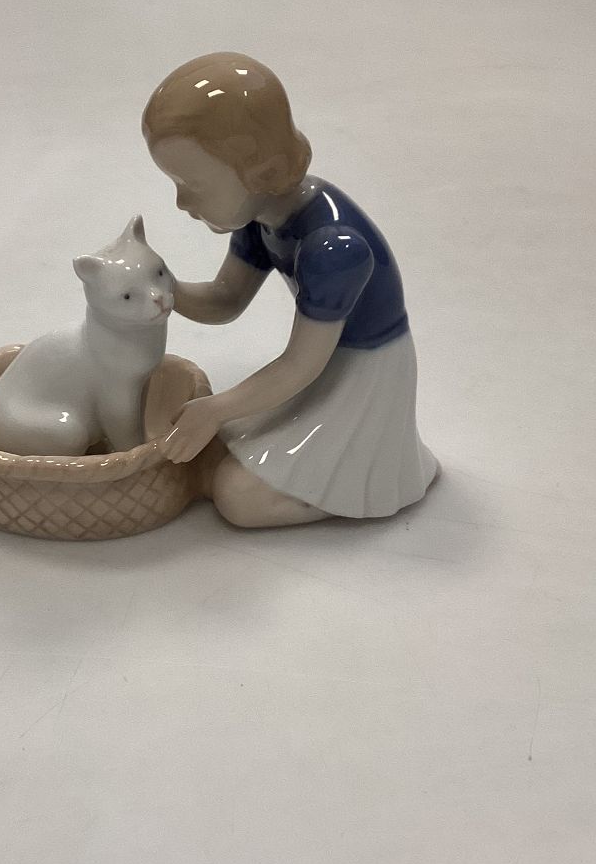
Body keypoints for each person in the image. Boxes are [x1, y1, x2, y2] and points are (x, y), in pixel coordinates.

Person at [142, 51, 439, 528]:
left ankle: (368, 483)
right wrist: (163, 288)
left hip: (363, 376)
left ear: (255, 169)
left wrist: (217, 409)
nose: (180, 201)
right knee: (217, 444)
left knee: (238, 498)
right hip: (317, 368)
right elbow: (224, 300)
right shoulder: (259, 218)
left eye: (192, 182)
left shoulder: (334, 249)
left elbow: (302, 365)